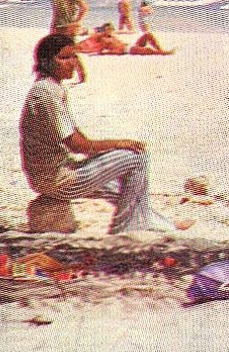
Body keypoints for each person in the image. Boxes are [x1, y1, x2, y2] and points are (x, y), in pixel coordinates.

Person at [18, 32, 173, 235]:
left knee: (121, 186)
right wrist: (119, 143)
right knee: (137, 157)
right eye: (64, 58)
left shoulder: (47, 88)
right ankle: (125, 230)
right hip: (59, 180)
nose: (72, 63)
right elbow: (77, 145)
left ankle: (162, 225)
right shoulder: (47, 93)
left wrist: (104, 156)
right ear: (46, 62)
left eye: (74, 56)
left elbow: (75, 137)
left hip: (48, 175)